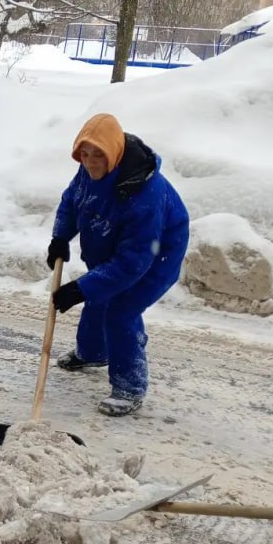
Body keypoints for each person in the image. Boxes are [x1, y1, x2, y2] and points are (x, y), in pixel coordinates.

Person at [46, 113, 190, 416]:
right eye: (84, 154)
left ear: (113, 153)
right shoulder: (88, 171)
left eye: (98, 154)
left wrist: (82, 287)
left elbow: (134, 260)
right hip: (114, 248)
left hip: (155, 256)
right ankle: (93, 353)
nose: (90, 162)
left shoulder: (144, 194)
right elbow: (73, 199)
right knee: (99, 296)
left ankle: (129, 387)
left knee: (121, 311)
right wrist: (60, 237)